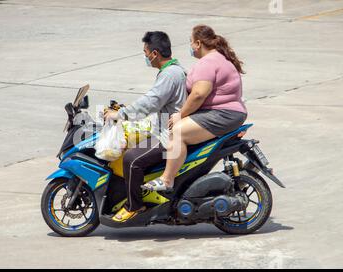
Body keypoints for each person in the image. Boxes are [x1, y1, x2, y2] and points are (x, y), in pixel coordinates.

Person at [143, 24, 248, 191]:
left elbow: (199, 94)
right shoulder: (220, 58)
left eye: (191, 42)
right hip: (231, 113)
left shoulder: (207, 62)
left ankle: (167, 179)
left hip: (221, 114)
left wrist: (180, 115)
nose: (190, 47)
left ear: (198, 43)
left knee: (176, 131)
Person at [104, 31, 187, 222]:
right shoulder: (173, 70)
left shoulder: (170, 75)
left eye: (145, 52)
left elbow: (150, 102)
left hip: (168, 135)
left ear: (155, 53)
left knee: (131, 159)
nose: (145, 56)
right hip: (163, 128)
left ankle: (134, 206)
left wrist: (121, 114)